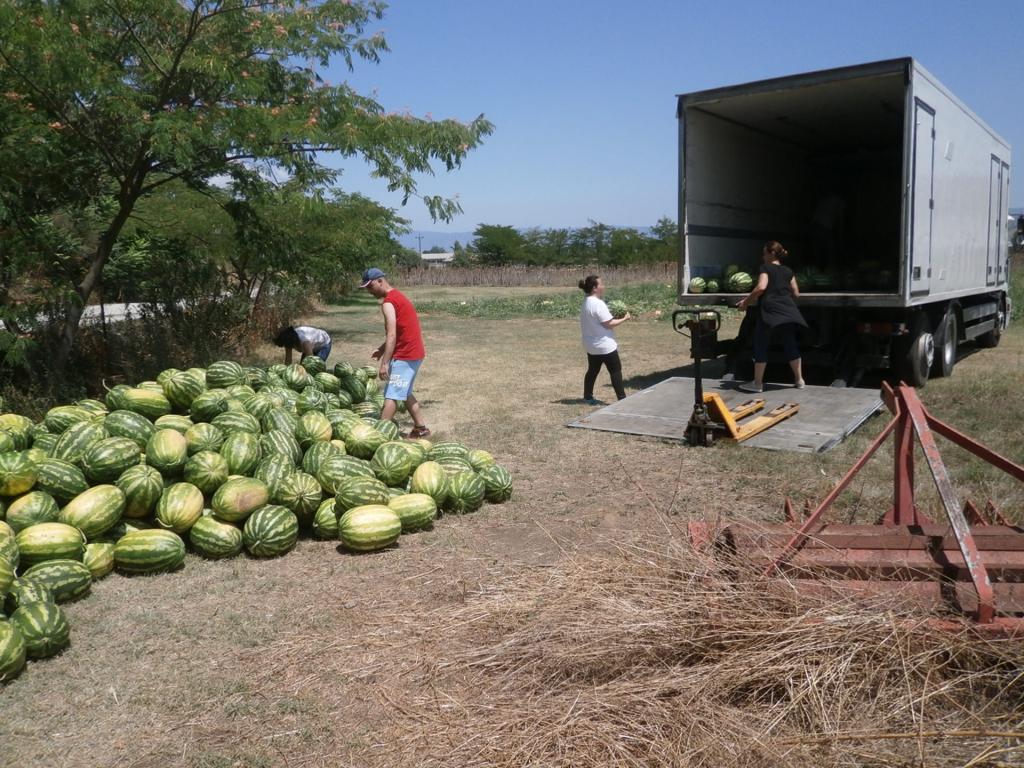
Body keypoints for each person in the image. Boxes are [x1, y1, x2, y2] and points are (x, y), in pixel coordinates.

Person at [360, 267, 430, 438]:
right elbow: (399, 331)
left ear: (380, 281)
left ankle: (379, 436)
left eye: (370, 287)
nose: (369, 291)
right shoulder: (397, 296)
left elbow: (392, 333)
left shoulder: (389, 302)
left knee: (392, 394)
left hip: (406, 355)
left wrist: (385, 363)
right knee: (404, 391)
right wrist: (382, 349)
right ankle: (421, 428)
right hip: (414, 352)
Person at [736, 241, 807, 392]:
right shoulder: (788, 271)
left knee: (761, 344)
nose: (762, 256)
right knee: (790, 344)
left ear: (771, 254)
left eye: (764, 253)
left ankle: (757, 384)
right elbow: (796, 293)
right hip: (788, 311)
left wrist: (745, 302)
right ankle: (799, 380)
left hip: (770, 311)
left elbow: (761, 287)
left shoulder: (765, 268)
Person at [578, 275, 631, 405]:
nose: (603, 286)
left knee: (592, 370)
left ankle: (588, 397)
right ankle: (622, 400)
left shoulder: (586, 302)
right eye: (601, 284)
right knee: (615, 370)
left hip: (591, 345)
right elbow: (609, 324)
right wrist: (625, 318)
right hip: (604, 346)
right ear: (595, 288)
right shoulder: (598, 304)